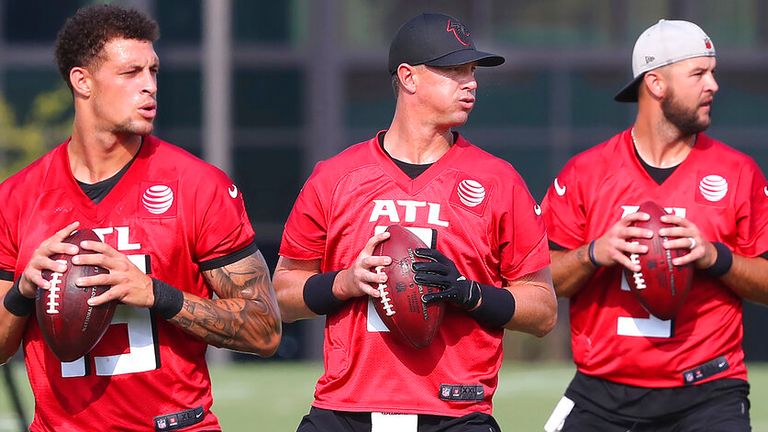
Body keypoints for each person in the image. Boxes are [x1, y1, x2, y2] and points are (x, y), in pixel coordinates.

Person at [0, 5, 282, 431]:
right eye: (131, 73)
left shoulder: (197, 186)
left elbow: (264, 331)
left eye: (153, 71)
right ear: (82, 82)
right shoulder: (17, 197)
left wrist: (155, 293)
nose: (149, 86)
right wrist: (22, 291)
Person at [273, 12, 557, 432]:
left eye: (472, 71)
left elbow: (544, 310)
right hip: (346, 409)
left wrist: (468, 293)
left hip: (456, 414)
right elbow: (280, 294)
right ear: (408, 78)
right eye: (453, 70)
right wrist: (344, 283)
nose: (471, 82)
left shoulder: (498, 181)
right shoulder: (334, 177)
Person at [541, 19, 768, 432]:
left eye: (712, 72)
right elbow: (537, 281)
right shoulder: (587, 173)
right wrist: (595, 253)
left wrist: (717, 257)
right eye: (698, 73)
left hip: (709, 391)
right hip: (603, 394)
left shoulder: (739, 172)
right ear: (656, 84)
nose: (713, 85)